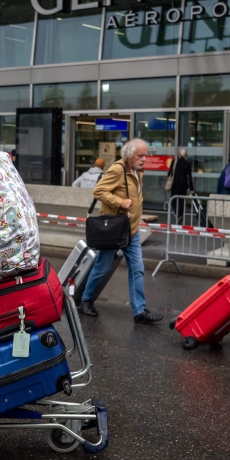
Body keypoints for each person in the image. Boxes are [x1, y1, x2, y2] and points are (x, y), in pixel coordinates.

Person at [80, 139, 162, 324]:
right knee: (102, 267)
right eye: (140, 155)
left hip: (131, 230)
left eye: (145, 155)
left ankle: (139, 311)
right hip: (115, 230)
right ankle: (86, 299)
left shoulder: (138, 171)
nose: (144, 159)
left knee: (137, 269)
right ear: (129, 156)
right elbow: (99, 191)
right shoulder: (118, 169)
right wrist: (120, 202)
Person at [167, 148, 195, 218]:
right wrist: (191, 188)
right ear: (185, 155)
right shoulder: (188, 164)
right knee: (181, 201)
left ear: (179, 154)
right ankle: (181, 215)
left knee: (173, 200)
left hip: (175, 185)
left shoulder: (174, 162)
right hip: (183, 185)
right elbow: (189, 177)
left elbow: (169, 174)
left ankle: (177, 214)